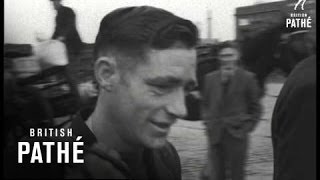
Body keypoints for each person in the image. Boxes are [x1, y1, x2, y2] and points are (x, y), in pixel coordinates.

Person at [4, 6, 199, 179]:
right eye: (162, 86)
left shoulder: (167, 157)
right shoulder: (34, 162)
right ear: (106, 75)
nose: (181, 110)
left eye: (187, 88)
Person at [201, 43, 262, 180]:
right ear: (219, 58)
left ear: (237, 56)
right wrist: (208, 123)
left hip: (237, 134)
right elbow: (205, 104)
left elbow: (256, 108)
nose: (226, 59)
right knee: (217, 174)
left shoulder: (248, 78)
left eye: (230, 55)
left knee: (237, 174)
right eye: (223, 56)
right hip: (215, 134)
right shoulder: (210, 78)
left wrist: (246, 128)